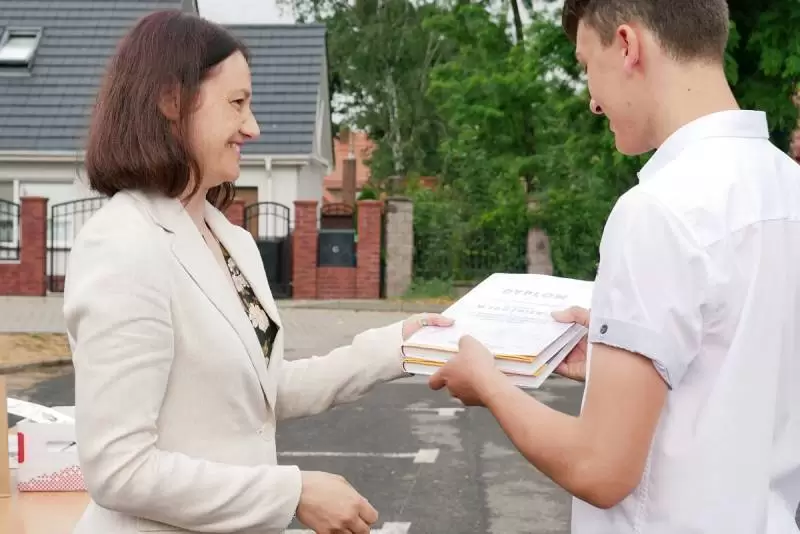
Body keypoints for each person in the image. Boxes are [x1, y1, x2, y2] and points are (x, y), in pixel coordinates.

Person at [63, 10, 452, 534]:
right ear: (171, 101)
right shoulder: (124, 245)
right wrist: (293, 492)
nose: (253, 127)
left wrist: (395, 348)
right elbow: (119, 470)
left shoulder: (233, 242)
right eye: (237, 103)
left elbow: (262, 389)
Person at [428, 0, 800, 532]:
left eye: (586, 66)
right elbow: (741, 370)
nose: (592, 101)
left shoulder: (658, 210)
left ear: (627, 45)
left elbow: (599, 468)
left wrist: (488, 383)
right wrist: (621, 360)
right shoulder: (787, 187)